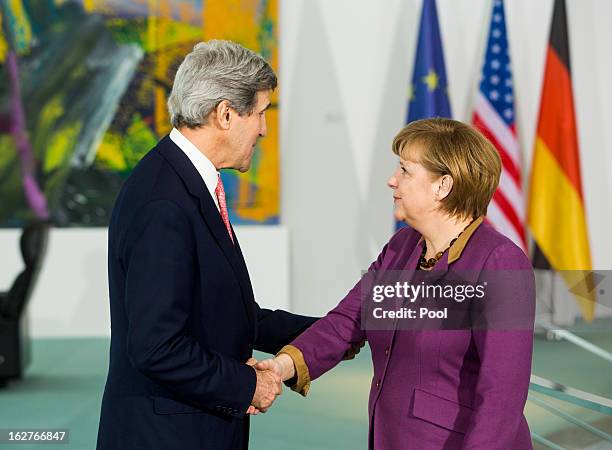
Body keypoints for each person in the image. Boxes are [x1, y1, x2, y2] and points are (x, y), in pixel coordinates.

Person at [256, 118, 536, 449]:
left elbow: (502, 395)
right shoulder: (401, 247)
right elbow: (347, 320)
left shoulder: (500, 262)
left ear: (442, 186)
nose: (392, 181)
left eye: (405, 171)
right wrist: (281, 366)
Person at [96, 40, 319, 450]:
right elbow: (156, 346)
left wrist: (332, 331)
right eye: (261, 112)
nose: (265, 129)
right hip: (165, 436)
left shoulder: (184, 180)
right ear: (225, 113)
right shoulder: (164, 201)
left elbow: (223, 314)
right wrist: (246, 384)